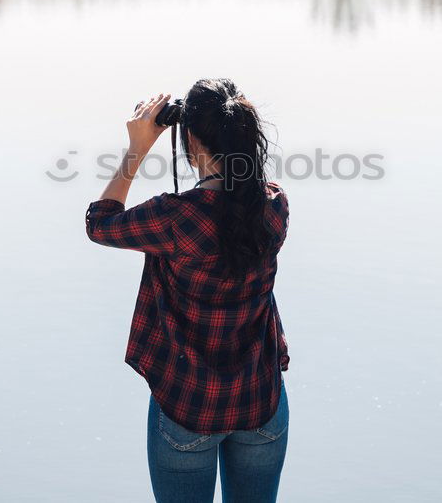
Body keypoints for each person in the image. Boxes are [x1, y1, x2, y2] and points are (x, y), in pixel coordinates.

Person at [85, 78, 291, 503]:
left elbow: (100, 224)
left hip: (187, 409)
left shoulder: (175, 219)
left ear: (191, 142)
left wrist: (138, 148)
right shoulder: (274, 206)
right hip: (262, 404)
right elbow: (238, 192)